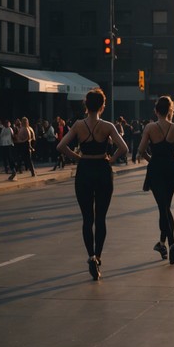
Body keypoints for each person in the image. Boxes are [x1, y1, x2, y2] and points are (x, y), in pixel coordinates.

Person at [57, 89, 128, 280]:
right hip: (103, 170)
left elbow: (61, 146)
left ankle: (90, 256)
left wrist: (78, 157)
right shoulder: (107, 126)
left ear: (86, 105)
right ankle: (98, 256)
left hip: (85, 170)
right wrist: (111, 159)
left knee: (87, 218)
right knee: (101, 218)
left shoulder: (78, 125)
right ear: (102, 106)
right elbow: (124, 147)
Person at [137, 95, 174, 264]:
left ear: (156, 111)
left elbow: (141, 150)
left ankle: (171, 243)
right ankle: (163, 243)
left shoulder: (150, 127)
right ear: (171, 110)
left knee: (163, 208)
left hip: (156, 170)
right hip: (172, 169)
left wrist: (151, 160)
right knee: (166, 207)